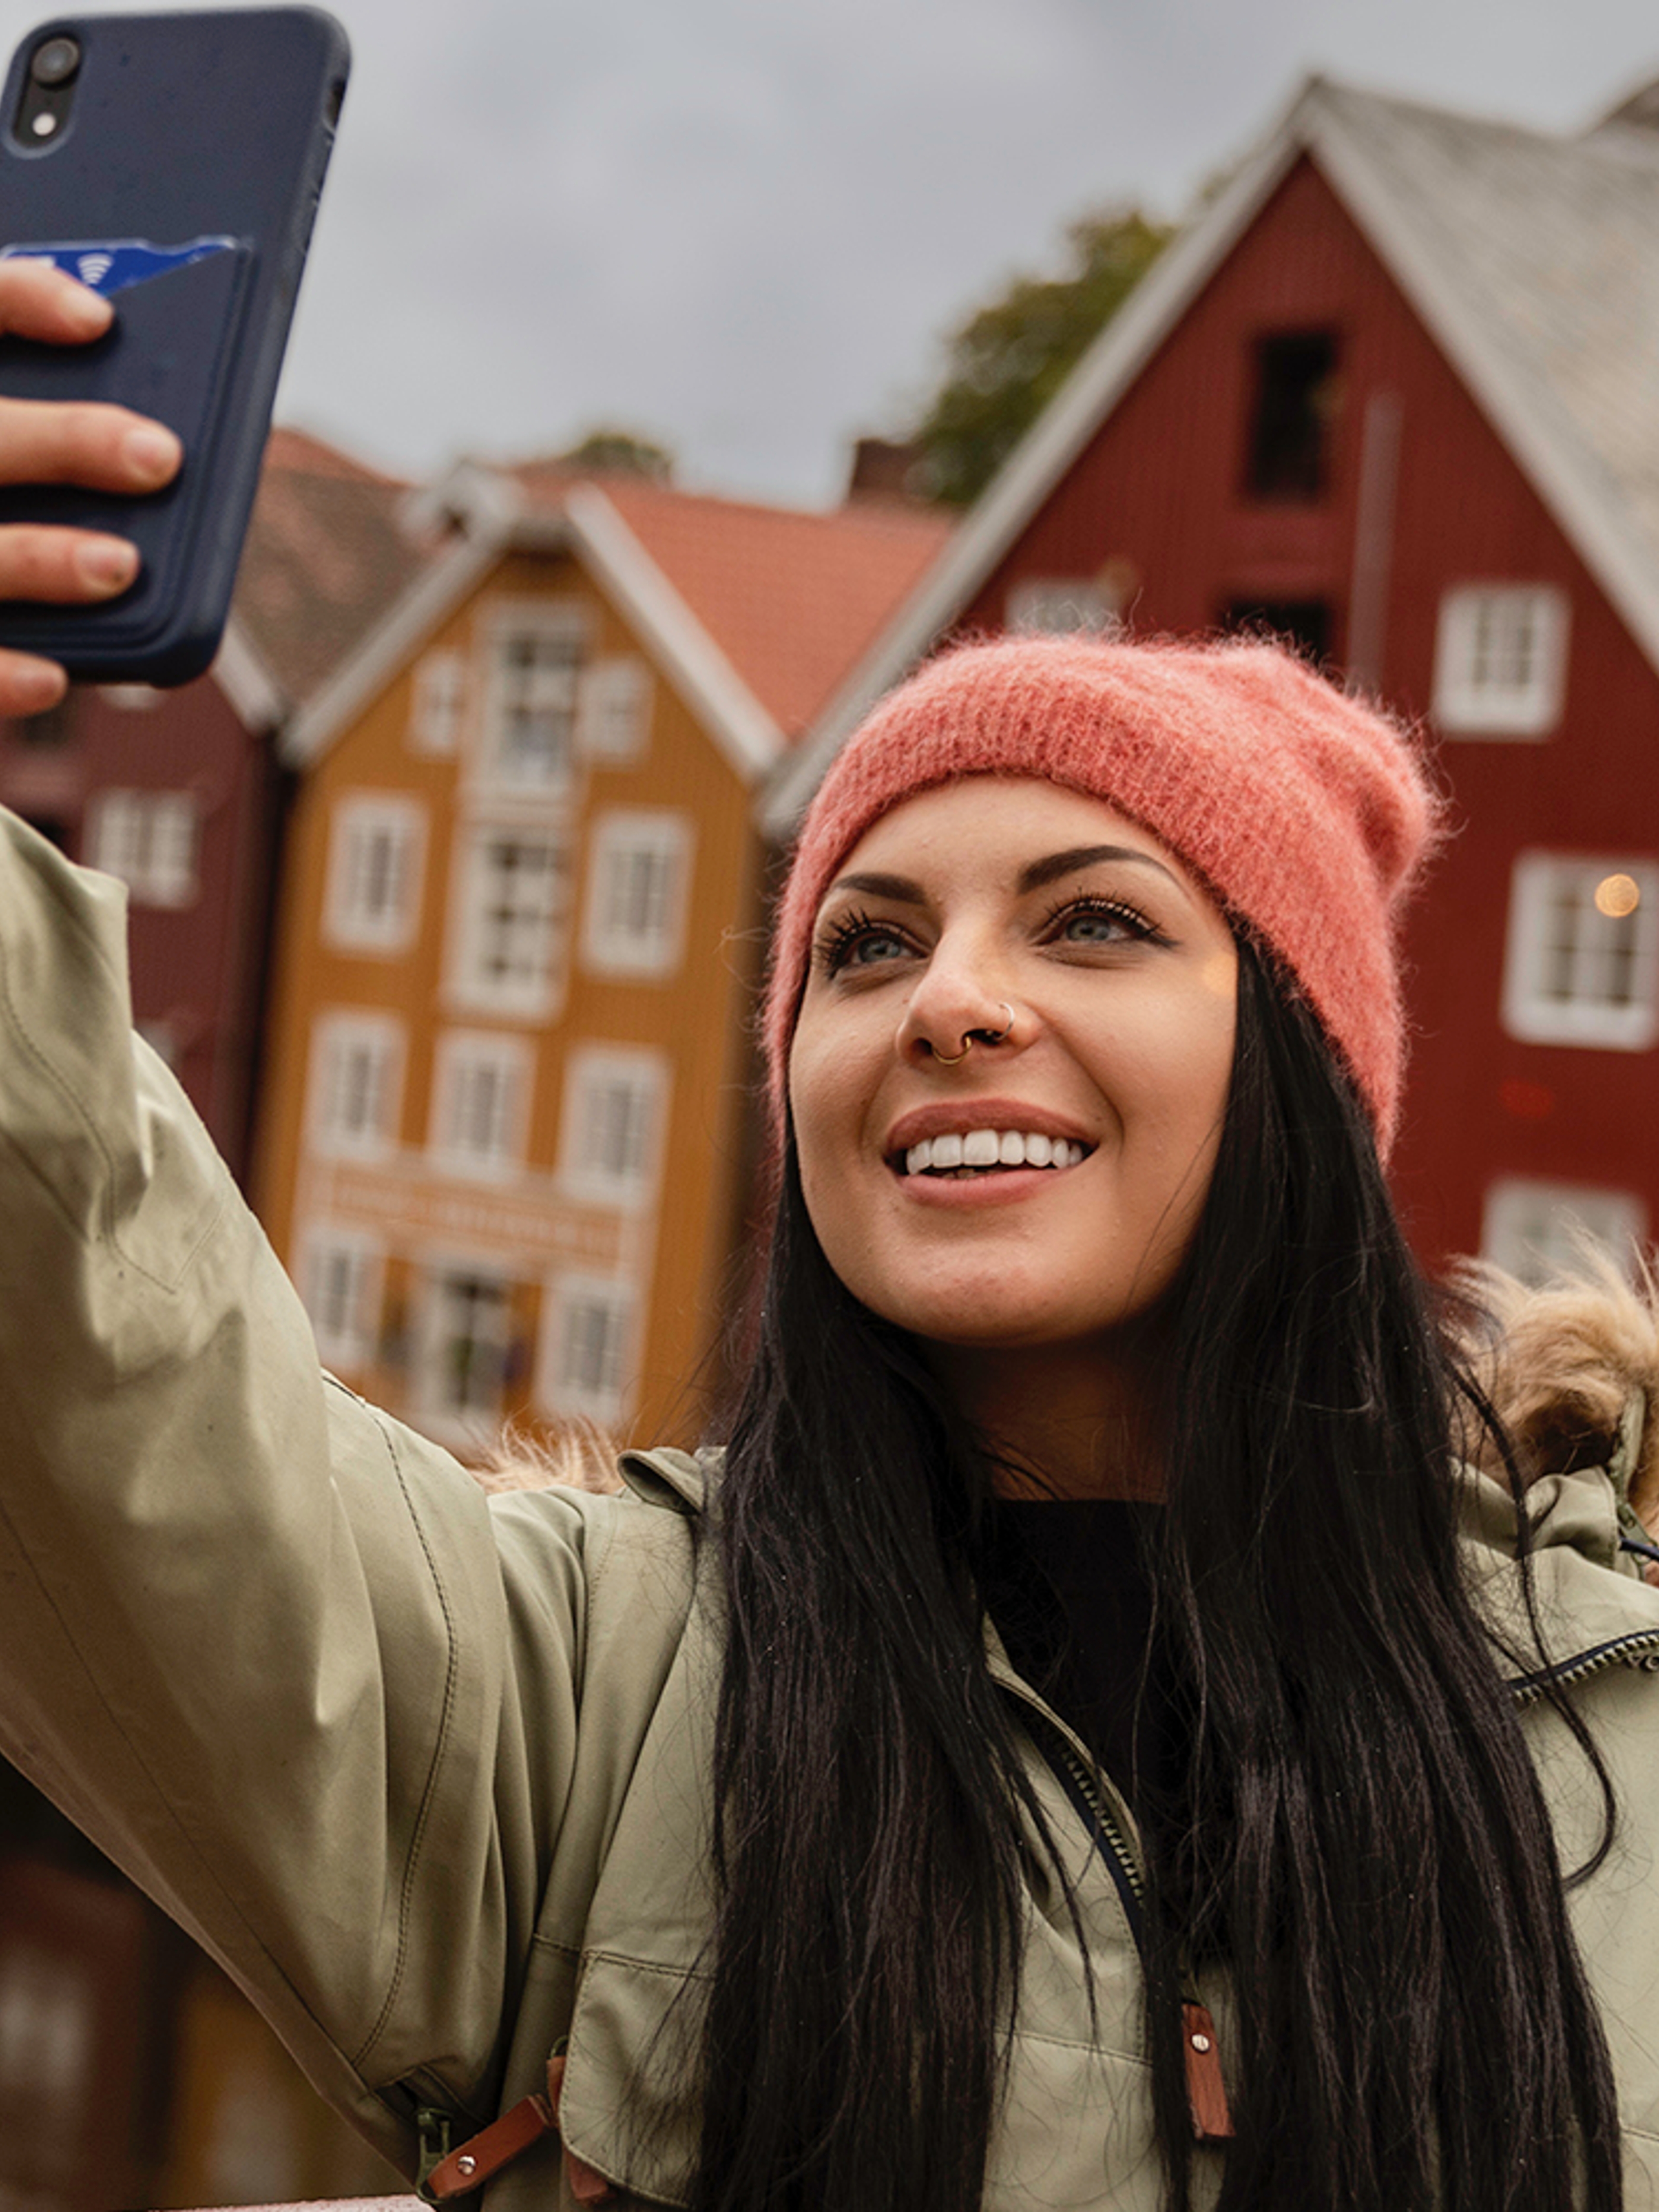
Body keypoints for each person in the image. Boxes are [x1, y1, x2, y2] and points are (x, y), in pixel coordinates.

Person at [1, 255, 1659, 2212]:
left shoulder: (1611, 1714)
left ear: (1299, 1069)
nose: (947, 1000)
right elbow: (94, 1361)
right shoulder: (595, 1694)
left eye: (1094, 918)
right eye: (868, 943)